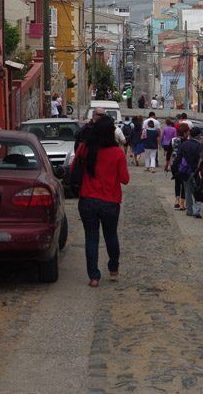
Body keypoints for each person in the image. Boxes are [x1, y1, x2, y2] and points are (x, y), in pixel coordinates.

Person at [77, 114, 130, 287]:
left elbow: (73, 169)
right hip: (110, 201)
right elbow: (125, 179)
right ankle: (113, 268)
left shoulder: (85, 148)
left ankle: (94, 277)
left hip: (87, 199)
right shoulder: (117, 153)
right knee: (111, 235)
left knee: (91, 238)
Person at [173, 125, 203, 217]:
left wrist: (176, 170)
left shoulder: (183, 145)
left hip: (185, 171)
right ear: (198, 136)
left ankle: (189, 210)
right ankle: (197, 211)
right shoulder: (200, 146)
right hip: (196, 171)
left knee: (188, 191)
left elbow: (178, 158)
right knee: (197, 191)